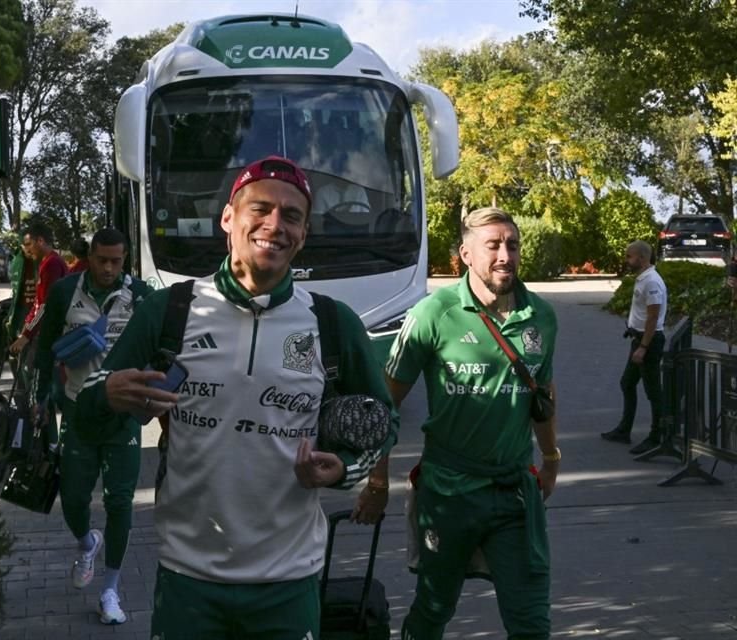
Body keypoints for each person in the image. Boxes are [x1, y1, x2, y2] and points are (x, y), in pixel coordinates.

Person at [75, 155, 398, 640]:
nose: (275, 225)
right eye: (260, 209)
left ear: (304, 234)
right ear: (228, 218)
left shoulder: (333, 323)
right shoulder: (172, 311)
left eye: (292, 216)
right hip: (189, 580)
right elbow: (84, 404)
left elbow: (383, 424)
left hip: (288, 584)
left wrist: (345, 468)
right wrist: (108, 395)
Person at [355, 206, 559, 639]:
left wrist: (551, 455)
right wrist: (377, 482)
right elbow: (383, 403)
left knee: (531, 620)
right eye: (493, 245)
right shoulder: (434, 313)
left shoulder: (541, 316)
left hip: (514, 492)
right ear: (465, 254)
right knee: (433, 609)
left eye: (513, 245)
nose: (505, 255)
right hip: (449, 493)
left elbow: (543, 395)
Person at [33, 228, 151, 625]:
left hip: (122, 418)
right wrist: (40, 400)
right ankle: (87, 543)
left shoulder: (141, 296)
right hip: (78, 413)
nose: (108, 268)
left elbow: (158, 349)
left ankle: (111, 591)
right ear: (91, 257)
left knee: (120, 502)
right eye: (102, 260)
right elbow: (45, 350)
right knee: (73, 498)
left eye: (116, 261)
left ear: (125, 259)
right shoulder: (66, 292)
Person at [601, 240, 667, 454]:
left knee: (653, 391)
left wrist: (643, 347)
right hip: (639, 339)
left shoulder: (652, 282)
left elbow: (653, 316)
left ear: (642, 258)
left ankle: (658, 436)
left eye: (629, 256)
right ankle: (624, 430)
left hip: (649, 342)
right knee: (627, 383)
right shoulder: (643, 279)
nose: (626, 260)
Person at [8, 221, 68, 356]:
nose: (26, 250)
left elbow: (44, 304)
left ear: (40, 241)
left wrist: (26, 335)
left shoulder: (51, 264)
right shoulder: (47, 262)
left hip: (51, 333)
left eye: (29, 244)